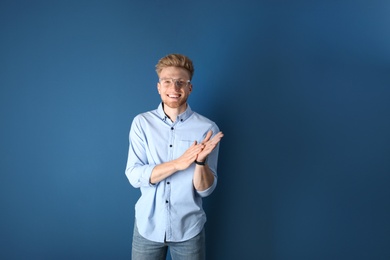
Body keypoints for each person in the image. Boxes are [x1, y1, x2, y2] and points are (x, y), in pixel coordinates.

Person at [125, 53, 223, 260]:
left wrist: (200, 161)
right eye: (167, 81)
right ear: (159, 87)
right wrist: (178, 163)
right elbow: (134, 175)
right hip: (147, 227)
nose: (174, 88)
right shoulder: (142, 123)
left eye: (181, 82)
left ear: (190, 88)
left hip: (189, 229)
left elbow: (206, 190)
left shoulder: (207, 129)